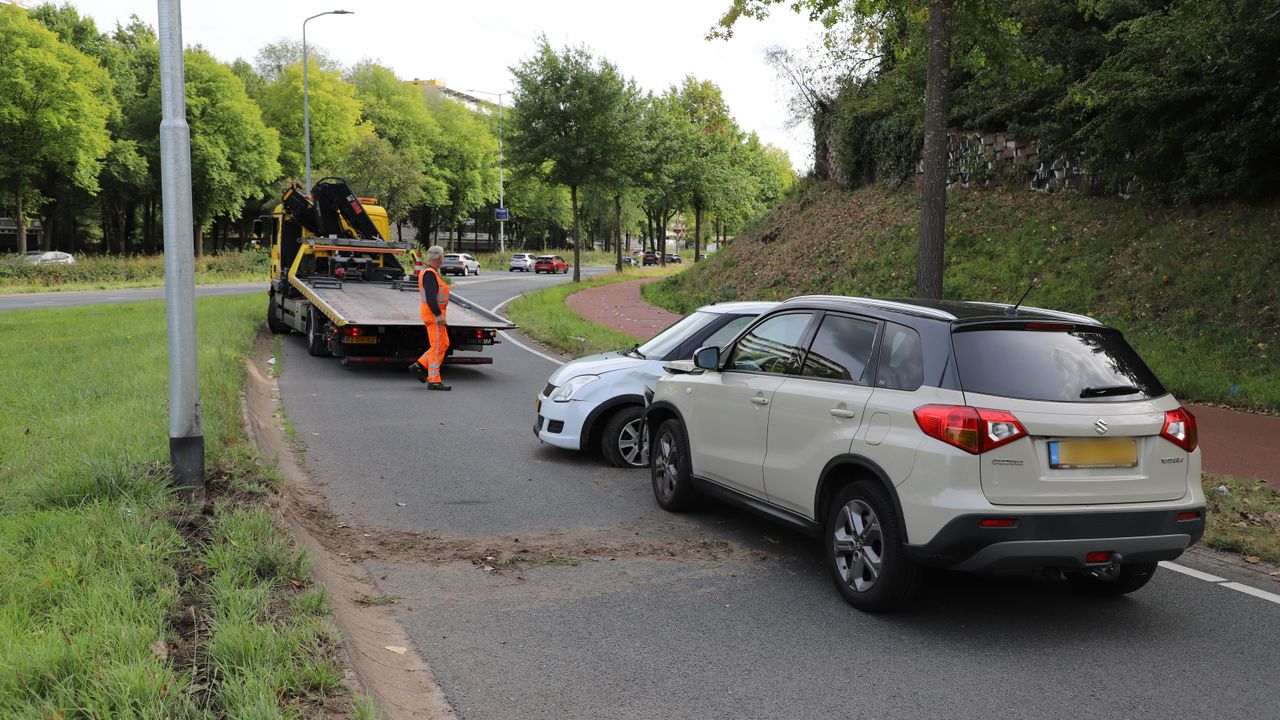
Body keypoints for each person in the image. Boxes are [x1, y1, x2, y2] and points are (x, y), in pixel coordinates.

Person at [409, 245, 451, 390]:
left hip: (433, 314)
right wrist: (438, 315)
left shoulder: (431, 272)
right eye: (443, 256)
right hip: (434, 315)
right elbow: (431, 298)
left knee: (443, 343)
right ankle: (434, 380)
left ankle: (419, 365)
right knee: (438, 346)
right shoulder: (430, 274)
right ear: (440, 258)